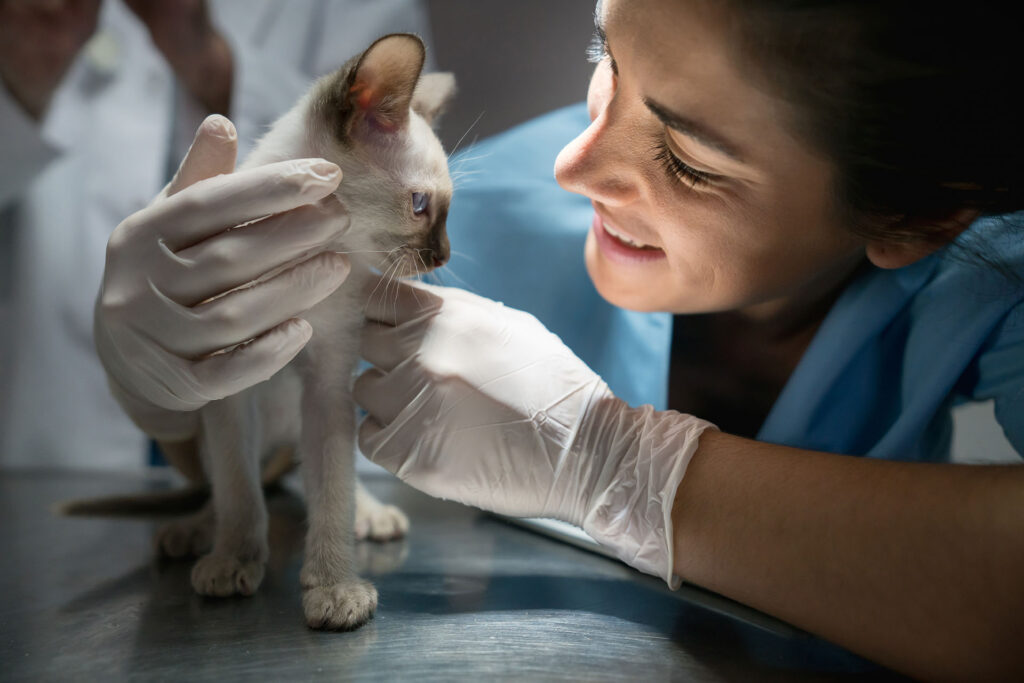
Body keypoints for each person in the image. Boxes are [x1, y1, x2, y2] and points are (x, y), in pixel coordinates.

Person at [90, 0, 1022, 679]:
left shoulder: (992, 267)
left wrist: (618, 463)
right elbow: (247, 420)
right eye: (605, 56)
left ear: (918, 219)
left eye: (689, 161)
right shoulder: (488, 207)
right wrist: (160, 380)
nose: (575, 165)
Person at [0, 0, 433, 469]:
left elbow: (402, 174)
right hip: (54, 427)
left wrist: (210, 63)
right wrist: (24, 82)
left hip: (296, 438)